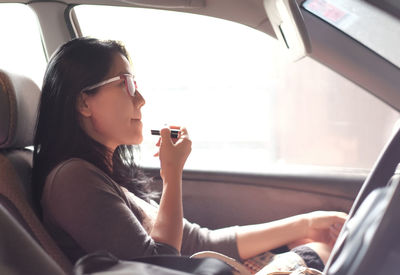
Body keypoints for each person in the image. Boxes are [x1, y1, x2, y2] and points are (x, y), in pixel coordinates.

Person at [32, 37, 347, 272]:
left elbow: (199, 242)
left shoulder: (100, 176)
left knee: (314, 242)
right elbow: (159, 265)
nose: (140, 99)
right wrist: (172, 177)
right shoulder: (72, 179)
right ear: (84, 103)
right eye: (126, 84)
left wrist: (305, 223)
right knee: (324, 249)